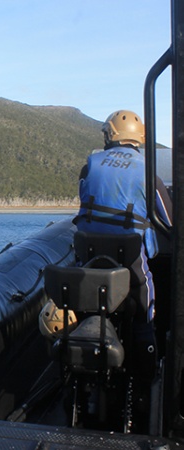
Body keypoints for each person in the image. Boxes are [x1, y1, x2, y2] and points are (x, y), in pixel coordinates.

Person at [73, 110, 172, 385]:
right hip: (129, 259)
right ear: (138, 139)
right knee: (146, 297)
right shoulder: (148, 172)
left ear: (110, 135)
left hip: (88, 255)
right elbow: (170, 219)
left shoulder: (89, 165)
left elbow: (85, 200)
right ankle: (147, 363)